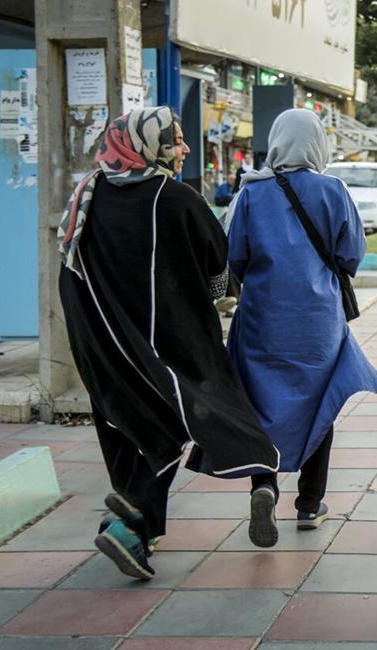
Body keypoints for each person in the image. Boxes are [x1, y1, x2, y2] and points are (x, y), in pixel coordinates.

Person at [57, 107, 281, 580]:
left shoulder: (87, 193)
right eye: (175, 140)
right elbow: (219, 279)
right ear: (146, 145)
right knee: (180, 422)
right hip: (166, 343)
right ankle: (130, 518)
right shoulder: (176, 198)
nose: (183, 149)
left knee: (134, 427)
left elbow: (69, 269)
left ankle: (137, 530)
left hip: (101, 343)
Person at [226, 109, 377, 539]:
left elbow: (233, 257)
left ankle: (264, 486)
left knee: (260, 404)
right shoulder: (333, 191)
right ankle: (310, 505)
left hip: (262, 318)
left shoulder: (252, 193)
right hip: (317, 322)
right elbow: (351, 255)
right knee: (320, 403)